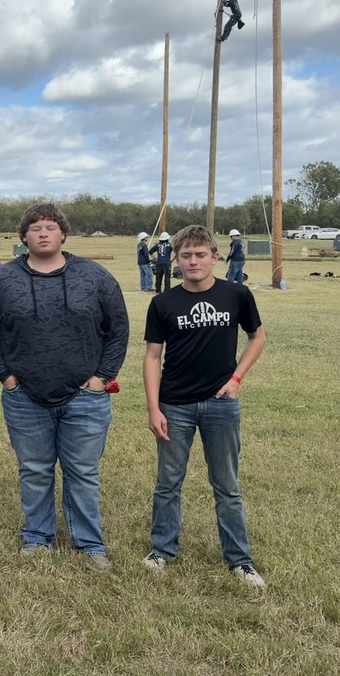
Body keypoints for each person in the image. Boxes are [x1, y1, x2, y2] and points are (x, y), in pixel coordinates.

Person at [0, 203, 128, 571]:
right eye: (35, 228)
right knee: (34, 470)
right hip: (24, 397)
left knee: (83, 472)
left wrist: (101, 378)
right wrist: (6, 377)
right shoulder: (1, 282)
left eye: (50, 227)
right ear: (24, 236)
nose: (43, 233)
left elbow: (118, 330)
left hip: (85, 397)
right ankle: (37, 537)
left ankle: (89, 543)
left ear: (62, 234)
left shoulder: (95, 277)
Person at [142, 225, 266, 587]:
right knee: (168, 482)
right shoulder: (163, 303)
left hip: (221, 404)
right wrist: (154, 408)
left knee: (227, 486)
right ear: (176, 260)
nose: (193, 261)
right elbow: (152, 357)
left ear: (215, 256)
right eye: (186, 255)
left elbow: (257, 337)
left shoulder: (237, 295)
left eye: (200, 254)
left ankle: (240, 560)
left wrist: (236, 378)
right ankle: (162, 550)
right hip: (174, 405)